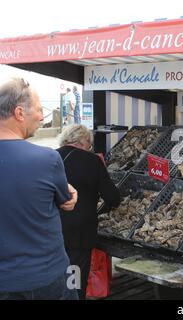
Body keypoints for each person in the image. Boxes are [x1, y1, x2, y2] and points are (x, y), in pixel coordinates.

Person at [0, 78, 79, 300]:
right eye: (38, 109)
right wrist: (70, 192)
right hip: (46, 280)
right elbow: (66, 202)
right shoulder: (48, 159)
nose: (41, 116)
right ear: (18, 113)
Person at [57, 124, 121, 300]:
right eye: (89, 145)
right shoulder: (92, 161)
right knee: (75, 279)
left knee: (55, 277)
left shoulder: (51, 157)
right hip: (79, 232)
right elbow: (112, 197)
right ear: (84, 142)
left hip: (51, 229)